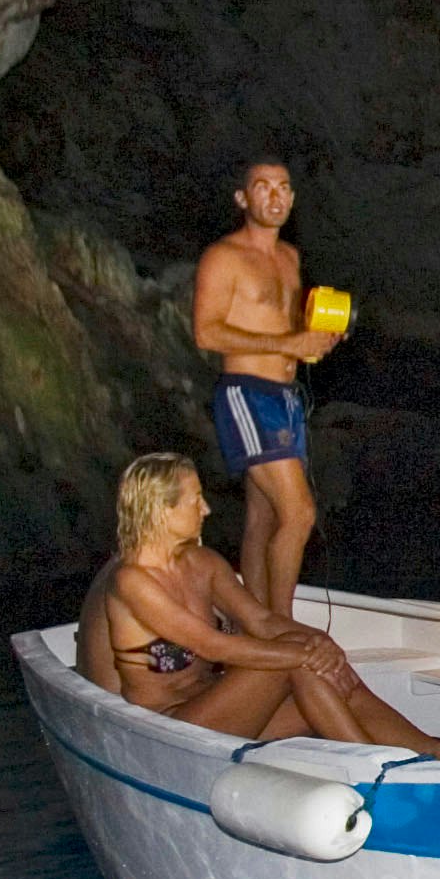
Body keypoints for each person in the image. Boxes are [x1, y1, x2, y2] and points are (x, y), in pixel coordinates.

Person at [78, 452, 440, 753]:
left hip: (222, 708)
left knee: (318, 670)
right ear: (162, 510)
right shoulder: (131, 581)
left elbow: (261, 621)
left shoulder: (204, 563)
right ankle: (378, 771)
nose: (207, 510)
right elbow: (211, 645)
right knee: (292, 660)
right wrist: (301, 654)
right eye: (195, 500)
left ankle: (432, 752)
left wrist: (320, 643)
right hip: (168, 728)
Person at [189, 158, 335, 620]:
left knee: (264, 517)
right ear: (242, 198)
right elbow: (207, 333)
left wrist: (313, 341)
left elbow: (285, 330)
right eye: (263, 188)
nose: (276, 198)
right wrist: (287, 341)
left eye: (284, 188)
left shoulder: (290, 259)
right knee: (300, 513)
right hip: (247, 393)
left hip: (285, 396)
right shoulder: (223, 257)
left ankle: (250, 620)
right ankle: (281, 626)